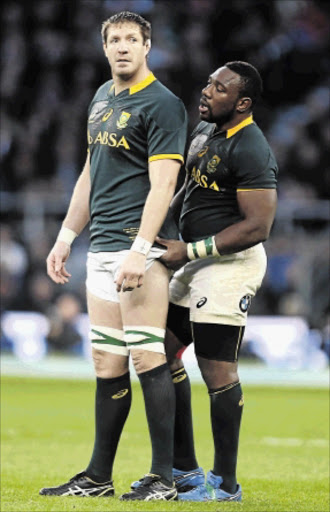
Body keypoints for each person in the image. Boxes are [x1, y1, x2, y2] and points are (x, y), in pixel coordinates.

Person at [40, 11, 187, 502]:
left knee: (148, 356)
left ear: (147, 46)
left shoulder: (163, 105)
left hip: (135, 249)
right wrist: (65, 237)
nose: (122, 47)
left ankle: (162, 478)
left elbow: (164, 184)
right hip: (100, 246)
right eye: (114, 39)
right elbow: (89, 173)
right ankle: (98, 476)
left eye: (132, 39)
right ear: (104, 48)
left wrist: (141, 251)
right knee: (106, 361)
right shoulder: (102, 98)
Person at [156, 61, 278, 502]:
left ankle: (226, 485)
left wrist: (187, 251)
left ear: (242, 103)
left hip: (230, 264)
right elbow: (191, 189)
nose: (207, 92)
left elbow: (258, 226)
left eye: (219, 88)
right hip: (194, 261)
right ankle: (185, 471)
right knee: (162, 353)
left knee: (216, 368)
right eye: (209, 83)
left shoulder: (251, 148)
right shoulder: (206, 133)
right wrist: (155, 226)